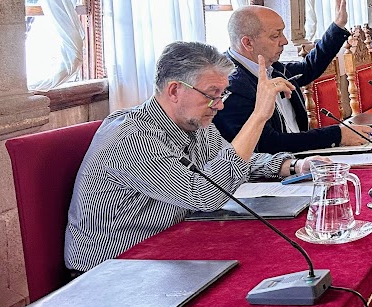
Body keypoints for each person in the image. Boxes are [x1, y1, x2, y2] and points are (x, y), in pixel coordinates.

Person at [64, 42, 319, 272]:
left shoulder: (196, 121)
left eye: (223, 94)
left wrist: (294, 165)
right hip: (113, 271)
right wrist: (258, 116)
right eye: (212, 94)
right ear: (174, 90)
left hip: (169, 249)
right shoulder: (131, 137)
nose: (219, 105)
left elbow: (232, 161)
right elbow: (204, 195)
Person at [215, 0, 372, 154]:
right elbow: (267, 144)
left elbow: (309, 68)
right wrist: (336, 135)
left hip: (302, 157)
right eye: (275, 36)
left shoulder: (273, 68)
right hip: (273, 170)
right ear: (247, 43)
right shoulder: (229, 86)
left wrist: (337, 26)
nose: (284, 41)